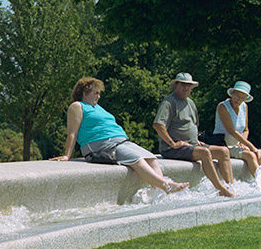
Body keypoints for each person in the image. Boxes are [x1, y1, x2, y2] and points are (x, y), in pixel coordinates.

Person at [51, 77, 188, 193]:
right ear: (84, 92)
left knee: (151, 158)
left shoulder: (97, 107)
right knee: (136, 159)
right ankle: (166, 186)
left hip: (121, 142)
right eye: (95, 93)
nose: (98, 96)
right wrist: (67, 155)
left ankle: (158, 190)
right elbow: (72, 132)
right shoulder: (77, 106)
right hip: (102, 145)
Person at [153, 72, 234, 197]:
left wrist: (196, 139)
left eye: (189, 85)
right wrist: (172, 144)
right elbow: (158, 125)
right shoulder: (169, 102)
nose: (186, 88)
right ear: (176, 85)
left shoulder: (190, 103)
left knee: (224, 152)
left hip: (192, 145)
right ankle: (220, 189)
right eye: (183, 84)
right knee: (205, 153)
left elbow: (194, 125)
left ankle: (231, 187)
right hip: (174, 149)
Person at [214, 81, 259, 178]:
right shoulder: (223, 106)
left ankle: (256, 186)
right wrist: (252, 147)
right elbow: (232, 131)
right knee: (251, 155)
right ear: (232, 93)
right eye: (237, 96)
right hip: (223, 145)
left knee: (259, 155)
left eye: (242, 98)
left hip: (237, 145)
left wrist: (243, 143)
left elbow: (245, 129)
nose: (239, 100)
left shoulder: (244, 106)